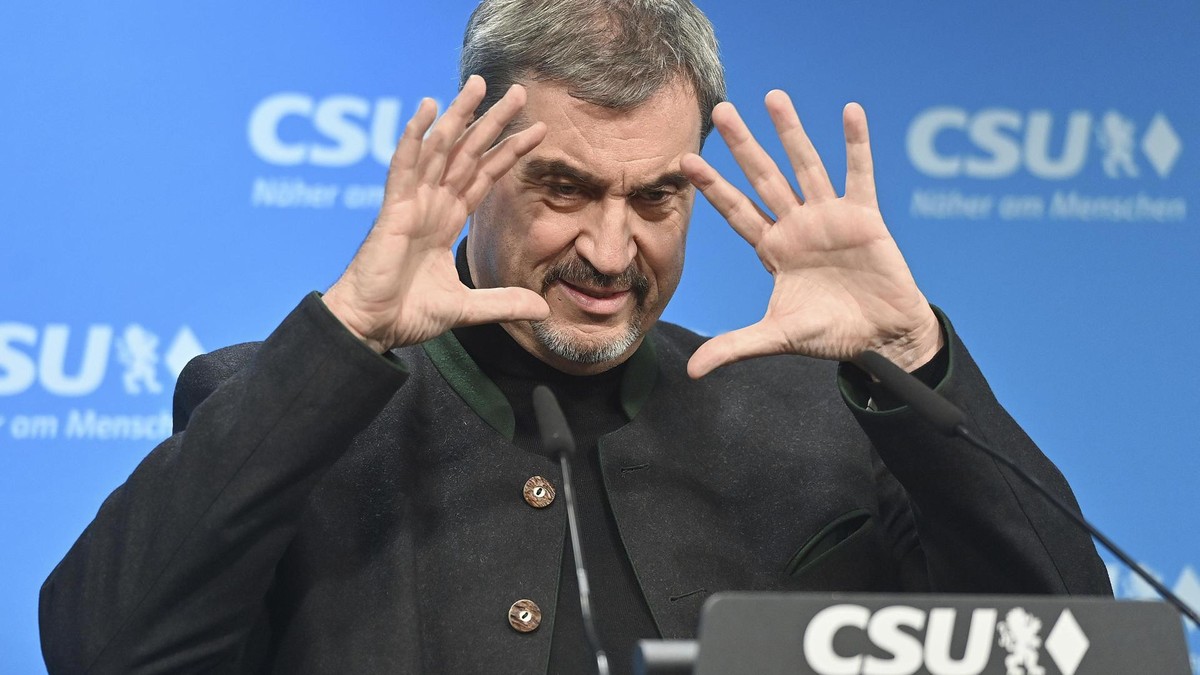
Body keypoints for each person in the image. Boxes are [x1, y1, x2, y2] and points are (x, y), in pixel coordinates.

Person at [39, 0, 1111, 673]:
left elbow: (1077, 645)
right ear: (475, 153)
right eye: (563, 186)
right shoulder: (286, 404)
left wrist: (913, 355)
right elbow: (104, 648)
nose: (611, 249)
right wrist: (347, 336)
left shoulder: (823, 414)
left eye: (657, 198)